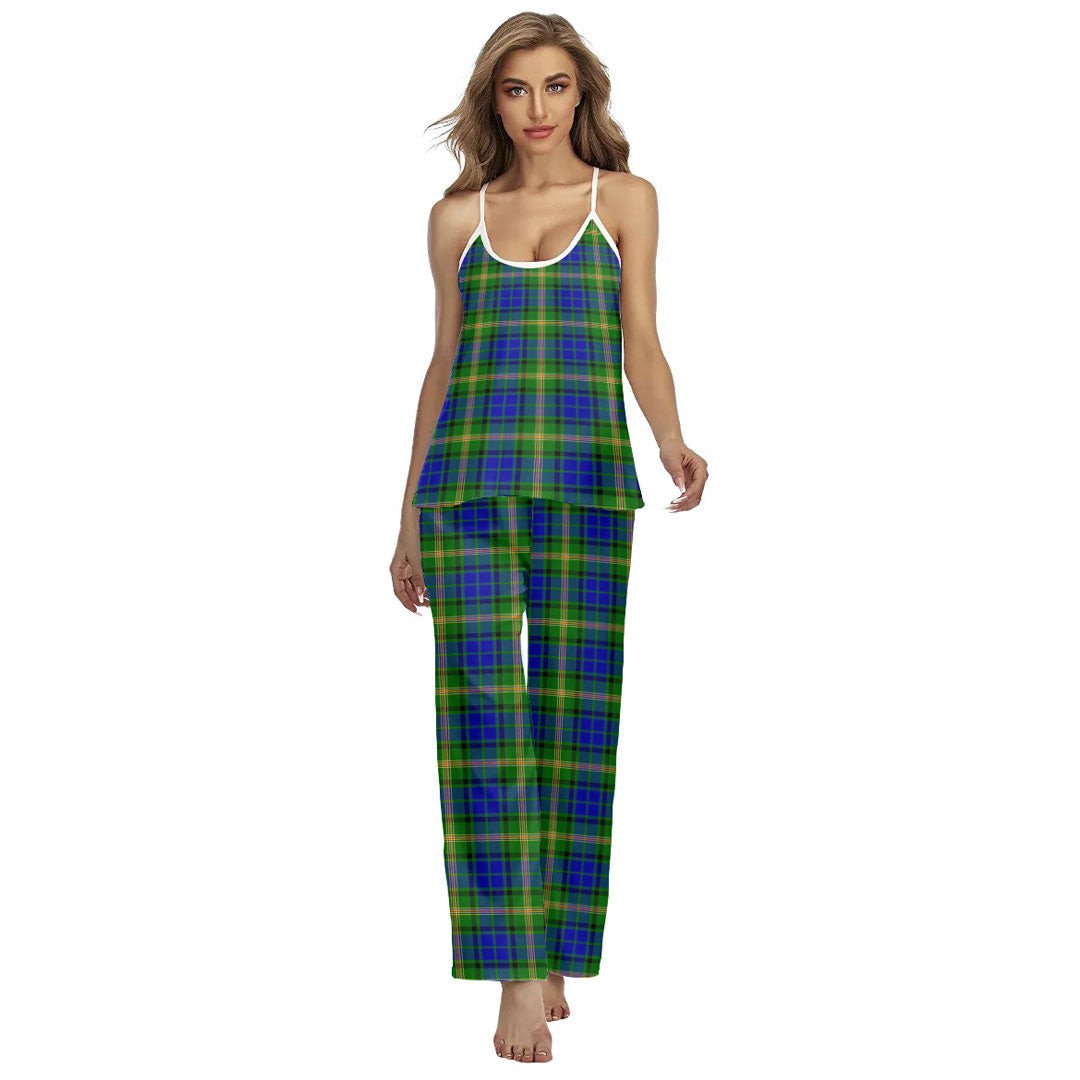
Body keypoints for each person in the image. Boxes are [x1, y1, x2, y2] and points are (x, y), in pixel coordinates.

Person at [390, 13, 708, 1063]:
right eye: (517, 88)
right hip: (467, 491)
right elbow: (442, 368)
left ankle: (558, 945)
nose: (537, 108)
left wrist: (671, 439)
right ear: (493, 99)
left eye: (556, 87)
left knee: (575, 720)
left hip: (585, 486)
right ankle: (516, 975)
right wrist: (407, 518)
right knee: (482, 724)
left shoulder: (626, 201)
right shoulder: (456, 218)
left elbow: (641, 341)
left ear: (583, 94)